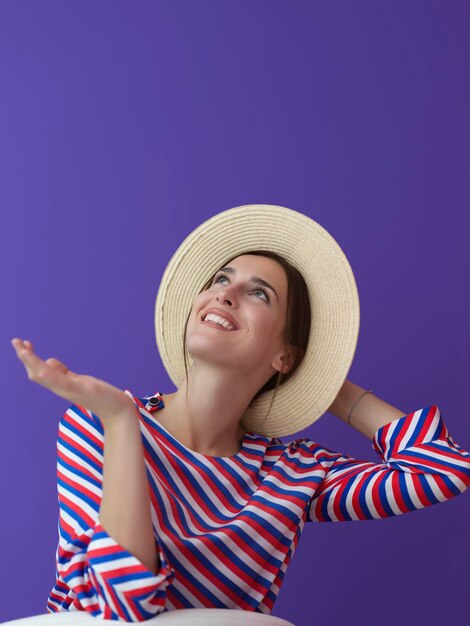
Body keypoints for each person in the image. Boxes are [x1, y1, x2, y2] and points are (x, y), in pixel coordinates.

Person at [12, 204, 470, 623]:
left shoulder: (293, 474)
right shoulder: (99, 421)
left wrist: (326, 383)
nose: (225, 295)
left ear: (285, 356)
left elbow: (444, 470)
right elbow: (121, 608)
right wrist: (119, 421)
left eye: (259, 294)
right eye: (219, 279)